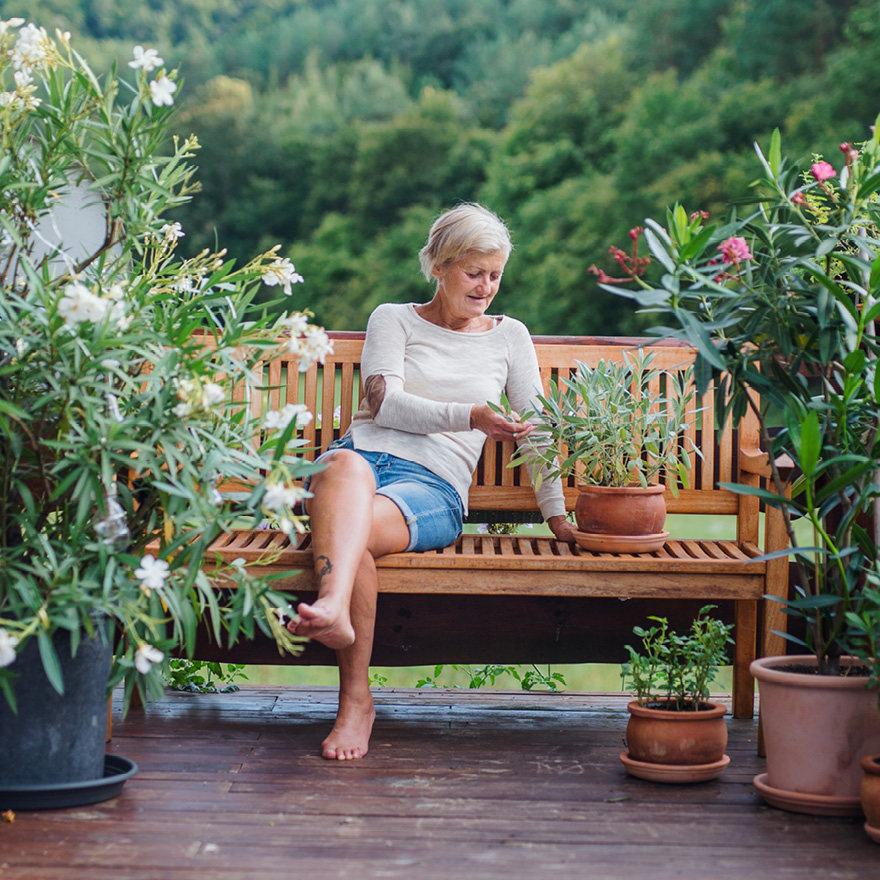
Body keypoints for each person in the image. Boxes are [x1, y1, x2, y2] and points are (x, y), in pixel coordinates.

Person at [287, 203, 575, 760]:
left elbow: (534, 430)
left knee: (350, 539)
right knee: (341, 466)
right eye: (474, 272)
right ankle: (352, 683)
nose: (487, 286)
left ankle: (337, 633)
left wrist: (556, 514)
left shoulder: (510, 336)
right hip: (359, 464)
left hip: (432, 487)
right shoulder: (392, 318)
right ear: (438, 266)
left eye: (495, 274)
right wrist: (469, 415)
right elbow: (384, 404)